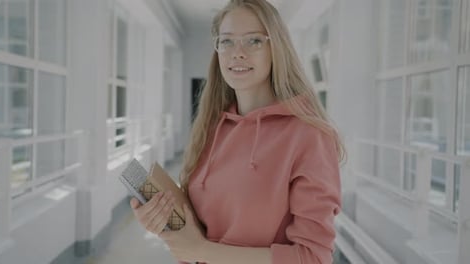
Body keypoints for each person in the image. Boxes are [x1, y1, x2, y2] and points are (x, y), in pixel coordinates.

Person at [130, 0, 346, 263]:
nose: (237, 52)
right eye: (227, 41)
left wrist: (203, 251)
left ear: (275, 48)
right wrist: (162, 220)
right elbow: (199, 233)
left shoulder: (309, 135)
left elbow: (313, 257)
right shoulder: (212, 127)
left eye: (253, 41)